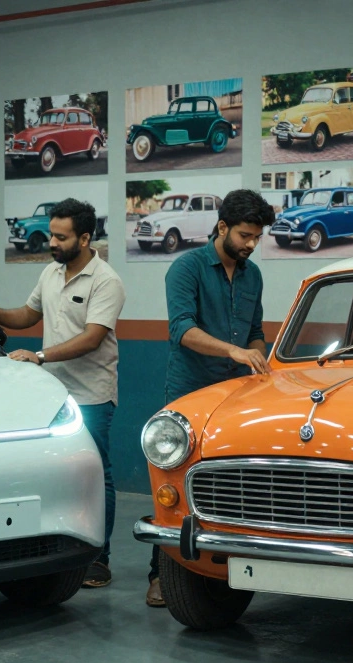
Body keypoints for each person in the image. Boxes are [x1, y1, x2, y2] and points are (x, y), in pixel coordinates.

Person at [0, 199, 125, 588]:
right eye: (52, 234)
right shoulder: (51, 273)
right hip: (53, 395)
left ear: (85, 238)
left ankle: (98, 558)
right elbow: (28, 314)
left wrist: (39, 356)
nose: (52, 241)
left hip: (92, 395)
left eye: (61, 236)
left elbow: (91, 339)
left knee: (94, 475)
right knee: (54, 473)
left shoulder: (107, 281)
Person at [147, 189, 275, 608]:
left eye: (256, 237)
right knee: (178, 487)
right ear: (222, 227)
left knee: (238, 483)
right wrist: (233, 351)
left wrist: (260, 362)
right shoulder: (186, 269)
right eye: (244, 235)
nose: (251, 245)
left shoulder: (252, 274)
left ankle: (234, 566)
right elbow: (181, 330)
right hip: (191, 394)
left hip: (240, 395)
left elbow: (255, 330)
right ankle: (161, 574)